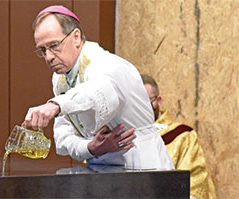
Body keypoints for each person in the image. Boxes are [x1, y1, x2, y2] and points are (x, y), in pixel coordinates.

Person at [23, 5, 174, 170]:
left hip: (140, 163)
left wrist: (55, 105)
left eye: (54, 45)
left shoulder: (107, 64)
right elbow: (63, 136)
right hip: (99, 166)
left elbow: (96, 93)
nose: (49, 57)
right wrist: (91, 147)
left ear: (76, 37)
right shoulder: (60, 78)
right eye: (43, 50)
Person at [141, 74, 216, 199]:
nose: (142, 109)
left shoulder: (182, 136)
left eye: (147, 102)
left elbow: (194, 183)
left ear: (158, 100)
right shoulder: (123, 137)